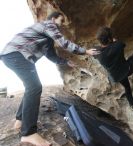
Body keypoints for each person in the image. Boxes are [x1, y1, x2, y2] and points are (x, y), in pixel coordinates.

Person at [0, 11, 99, 146]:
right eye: (61, 20)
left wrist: (65, 62)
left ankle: (20, 120)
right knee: (34, 87)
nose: (62, 24)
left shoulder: (47, 38)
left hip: (12, 55)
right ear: (53, 18)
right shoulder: (48, 25)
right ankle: (28, 134)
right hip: (17, 54)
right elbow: (64, 43)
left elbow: (51, 55)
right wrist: (85, 51)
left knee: (31, 87)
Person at [94, 27, 133, 111]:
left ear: (99, 41)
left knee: (127, 87)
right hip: (127, 70)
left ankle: (132, 105)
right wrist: (113, 41)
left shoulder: (97, 53)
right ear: (110, 38)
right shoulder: (118, 45)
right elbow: (120, 43)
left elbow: (93, 50)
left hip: (116, 77)